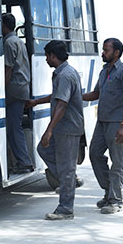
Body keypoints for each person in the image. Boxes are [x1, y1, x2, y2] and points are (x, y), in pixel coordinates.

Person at [26, 40, 85, 220]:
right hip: (63, 127)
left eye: (47, 56)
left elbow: (62, 104)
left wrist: (49, 130)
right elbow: (57, 96)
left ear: (53, 56)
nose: (46, 60)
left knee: (66, 168)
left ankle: (65, 208)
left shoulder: (65, 75)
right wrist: (36, 102)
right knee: (43, 149)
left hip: (68, 128)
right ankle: (69, 180)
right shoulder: (63, 73)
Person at [82, 38, 123, 214]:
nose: (103, 53)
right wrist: (76, 96)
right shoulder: (104, 71)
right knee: (94, 154)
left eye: (106, 50)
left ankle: (115, 200)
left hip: (117, 123)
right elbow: (96, 93)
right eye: (103, 50)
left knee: (117, 161)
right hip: (102, 121)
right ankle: (109, 191)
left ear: (116, 52)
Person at [1, 13, 33, 174]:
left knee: (14, 127)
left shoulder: (8, 43)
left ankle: (24, 162)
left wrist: (1, 91)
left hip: (13, 90)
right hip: (22, 88)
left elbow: (8, 70)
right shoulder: (18, 41)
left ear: (3, 25)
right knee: (14, 126)